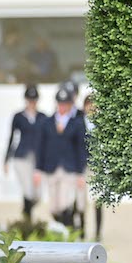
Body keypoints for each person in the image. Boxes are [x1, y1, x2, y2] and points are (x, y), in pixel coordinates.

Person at [34, 85, 87, 228]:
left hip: (69, 168)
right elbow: (40, 147)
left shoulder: (77, 123)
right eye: (61, 103)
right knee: (53, 207)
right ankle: (63, 228)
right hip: (51, 167)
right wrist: (37, 169)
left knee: (65, 203)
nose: (63, 107)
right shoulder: (47, 122)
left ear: (71, 105)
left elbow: (81, 148)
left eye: (66, 104)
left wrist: (81, 172)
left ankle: (68, 230)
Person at [4, 85, 43, 219]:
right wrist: (6, 159)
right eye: (29, 99)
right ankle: (28, 220)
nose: (32, 103)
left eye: (34, 100)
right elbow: (12, 138)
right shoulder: (18, 117)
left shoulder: (43, 117)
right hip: (21, 157)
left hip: (37, 159)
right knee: (28, 190)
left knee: (38, 195)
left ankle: (26, 210)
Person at [79, 93, 103, 239]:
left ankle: (98, 231)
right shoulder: (78, 123)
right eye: (89, 105)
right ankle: (81, 231)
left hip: (96, 164)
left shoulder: (101, 123)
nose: (91, 108)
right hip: (82, 165)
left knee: (98, 199)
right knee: (81, 199)